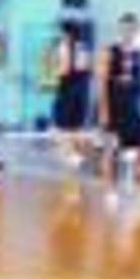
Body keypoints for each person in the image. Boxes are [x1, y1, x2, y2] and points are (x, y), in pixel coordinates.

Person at [98, 13, 140, 196]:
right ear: (120, 29)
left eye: (133, 28)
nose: (129, 32)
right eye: (126, 28)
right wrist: (104, 110)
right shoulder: (109, 51)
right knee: (110, 149)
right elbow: (102, 82)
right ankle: (109, 192)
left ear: (137, 30)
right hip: (115, 106)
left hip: (134, 108)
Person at [50, 17, 94, 169]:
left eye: (61, 32)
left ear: (67, 33)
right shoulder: (84, 46)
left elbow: (64, 70)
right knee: (76, 128)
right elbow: (86, 69)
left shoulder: (64, 46)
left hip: (68, 89)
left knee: (60, 129)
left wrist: (54, 71)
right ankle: (76, 158)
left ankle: (73, 159)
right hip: (82, 90)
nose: (59, 34)